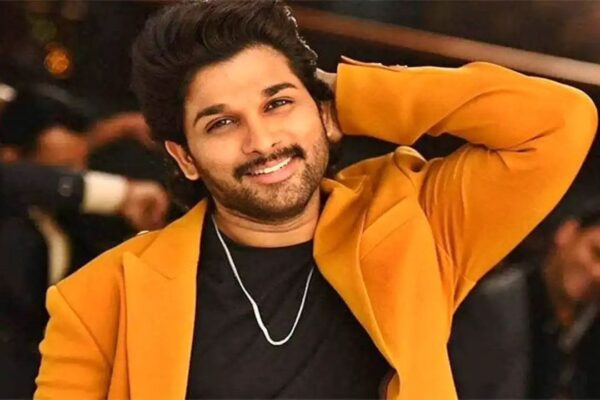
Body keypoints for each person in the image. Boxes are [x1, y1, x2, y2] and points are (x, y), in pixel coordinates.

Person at [34, 1, 597, 399]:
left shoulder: (414, 219)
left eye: (278, 103)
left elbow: (561, 123)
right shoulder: (98, 299)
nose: (262, 141)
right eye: (222, 122)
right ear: (185, 158)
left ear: (322, 112)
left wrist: (353, 94)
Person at [0, 86, 169, 398]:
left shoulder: (69, 224)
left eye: (81, 166)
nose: (80, 175)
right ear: (12, 157)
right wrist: (119, 194)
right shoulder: (11, 208)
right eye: (63, 169)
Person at [449, 195, 600, 399]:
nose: (597, 274)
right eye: (596, 253)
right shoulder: (494, 307)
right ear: (568, 232)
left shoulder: (585, 328)